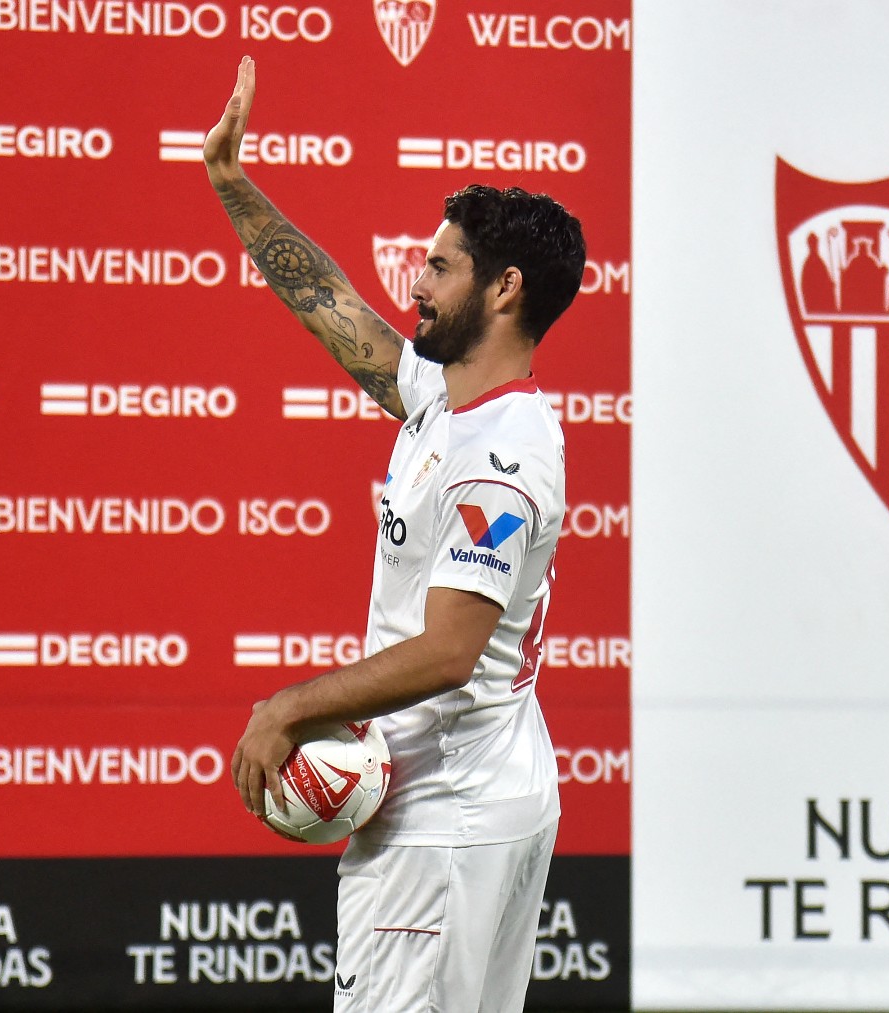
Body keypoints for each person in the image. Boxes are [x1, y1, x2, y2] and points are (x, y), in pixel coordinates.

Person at [204, 56, 585, 1013]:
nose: (415, 280)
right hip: (481, 803)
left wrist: (290, 703)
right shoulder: (447, 402)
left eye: (439, 266)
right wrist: (235, 188)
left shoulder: (501, 454)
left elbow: (453, 649)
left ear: (503, 290)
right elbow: (330, 304)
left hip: (441, 822)